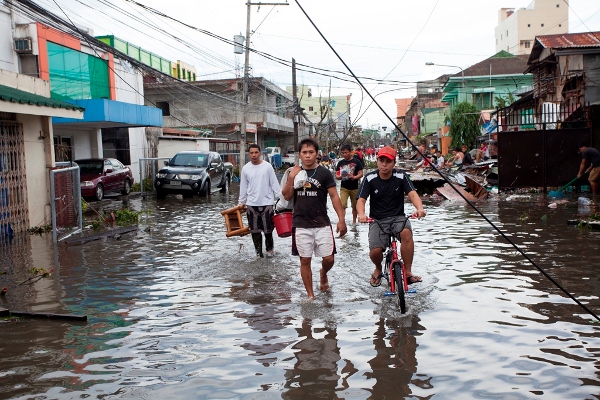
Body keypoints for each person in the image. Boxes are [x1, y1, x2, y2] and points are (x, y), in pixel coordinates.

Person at [281, 138, 348, 300]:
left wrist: (341, 219)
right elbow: (286, 195)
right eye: (304, 152)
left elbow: (334, 196)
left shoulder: (324, 173)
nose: (308, 156)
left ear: (317, 154)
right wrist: (291, 178)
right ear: (300, 155)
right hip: (300, 224)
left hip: (322, 223)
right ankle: (310, 296)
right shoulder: (293, 172)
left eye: (311, 152)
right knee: (305, 260)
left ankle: (323, 273)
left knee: (329, 258)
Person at [356, 146, 425, 287]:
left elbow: (412, 194)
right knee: (375, 251)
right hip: (377, 220)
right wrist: (361, 214)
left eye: (388, 161)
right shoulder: (370, 178)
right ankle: (378, 268)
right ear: (377, 161)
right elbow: (361, 200)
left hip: (398, 217)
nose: (384, 164)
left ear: (394, 163)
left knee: (406, 233)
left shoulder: (401, 176)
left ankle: (408, 272)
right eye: (381, 160)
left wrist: (420, 208)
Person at [238, 144, 281, 258]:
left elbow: (274, 183)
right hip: (252, 204)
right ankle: (258, 254)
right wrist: (241, 203)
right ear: (248, 155)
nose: (254, 155)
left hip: (267, 203)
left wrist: (281, 199)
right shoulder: (246, 168)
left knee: (268, 230)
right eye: (251, 153)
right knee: (255, 231)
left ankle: (270, 251)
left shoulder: (267, 167)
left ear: (260, 153)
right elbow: (243, 187)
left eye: (256, 152)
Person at [335, 144, 364, 224]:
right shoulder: (340, 163)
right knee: (342, 204)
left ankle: (354, 222)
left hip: (354, 187)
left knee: (355, 206)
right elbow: (336, 175)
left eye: (346, 152)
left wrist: (354, 177)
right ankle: (342, 221)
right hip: (344, 187)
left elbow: (361, 173)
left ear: (350, 152)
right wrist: (341, 176)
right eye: (343, 153)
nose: (344, 154)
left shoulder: (356, 162)